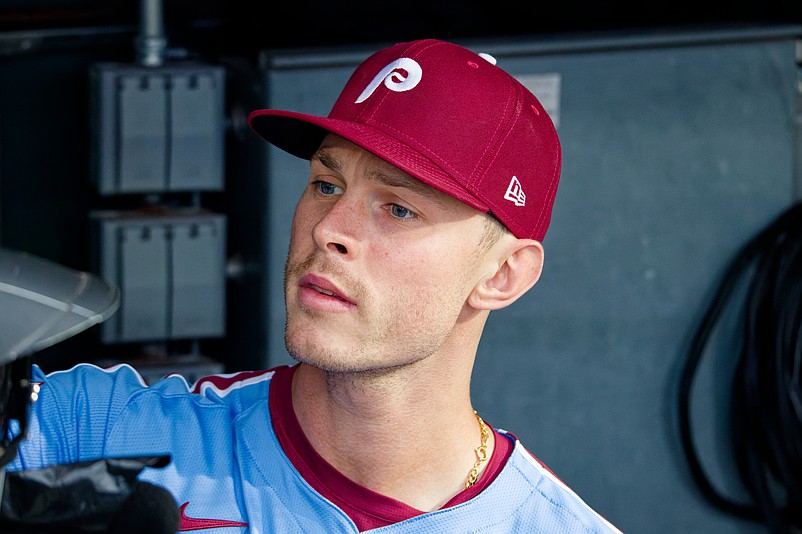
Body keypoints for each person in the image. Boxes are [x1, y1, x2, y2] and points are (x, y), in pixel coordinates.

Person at [6, 38, 622, 532]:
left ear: (502, 274)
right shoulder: (100, 434)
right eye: (327, 185)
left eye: (397, 209)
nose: (330, 228)